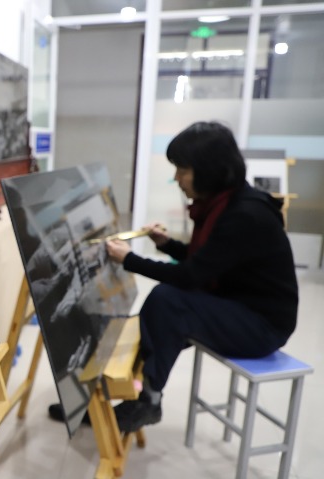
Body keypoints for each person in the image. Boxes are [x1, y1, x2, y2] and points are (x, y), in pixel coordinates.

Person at [104, 121, 298, 433]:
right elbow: (210, 261)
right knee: (159, 314)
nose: (176, 178)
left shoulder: (243, 214)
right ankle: (111, 398)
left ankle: (148, 401)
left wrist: (130, 259)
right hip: (239, 305)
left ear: (209, 169)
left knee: (167, 301)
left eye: (183, 170)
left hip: (262, 327)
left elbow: (191, 276)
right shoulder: (224, 204)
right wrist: (167, 245)